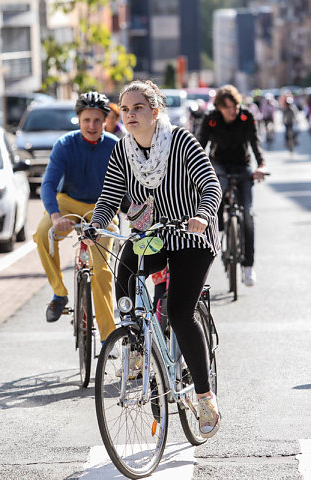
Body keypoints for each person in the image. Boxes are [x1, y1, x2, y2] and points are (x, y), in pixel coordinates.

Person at [85, 79, 222, 439]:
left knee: (179, 312)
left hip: (190, 234)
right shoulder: (123, 150)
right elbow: (110, 194)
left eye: (138, 108)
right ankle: (135, 348)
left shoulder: (181, 142)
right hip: (150, 235)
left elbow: (211, 185)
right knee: (124, 274)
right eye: (125, 109)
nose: (130, 115)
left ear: (155, 110)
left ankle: (205, 397)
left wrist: (204, 214)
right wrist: (96, 225)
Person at [33, 91, 119, 344]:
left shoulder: (115, 145)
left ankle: (108, 339)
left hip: (101, 208)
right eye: (86, 120)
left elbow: (126, 185)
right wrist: (57, 216)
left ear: (105, 120)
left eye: (97, 120)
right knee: (42, 234)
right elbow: (48, 184)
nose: (92, 126)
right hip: (67, 202)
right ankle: (59, 294)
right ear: (78, 120)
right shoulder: (65, 144)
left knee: (102, 271)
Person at [197, 84, 267, 287]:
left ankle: (248, 266)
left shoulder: (247, 117)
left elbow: (255, 143)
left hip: (242, 165)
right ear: (219, 107)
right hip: (218, 164)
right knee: (218, 191)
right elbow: (200, 146)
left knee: (247, 215)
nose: (232, 111)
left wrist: (261, 164)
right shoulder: (210, 119)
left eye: (235, 106)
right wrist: (194, 171)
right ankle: (216, 228)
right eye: (227, 107)